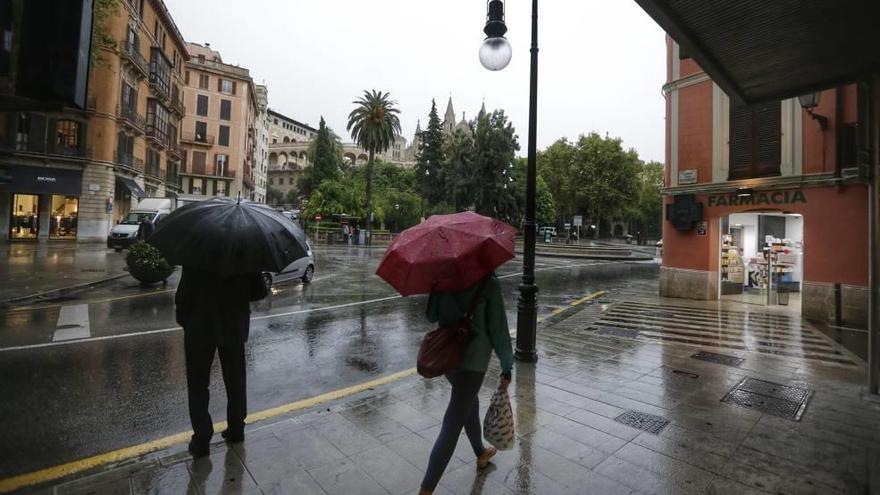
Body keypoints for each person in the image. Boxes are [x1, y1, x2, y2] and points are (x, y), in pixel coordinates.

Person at [419, 273, 514, 495]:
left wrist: (436, 289)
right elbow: (498, 329)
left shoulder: (443, 276)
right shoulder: (488, 281)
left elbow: (431, 315)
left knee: (468, 403)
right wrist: (507, 366)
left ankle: (480, 452)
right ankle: (425, 491)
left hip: (447, 357)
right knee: (452, 423)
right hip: (473, 363)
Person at [175, 267, 269, 457]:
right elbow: (259, 291)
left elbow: (183, 295)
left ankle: (201, 439)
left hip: (199, 326)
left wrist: (186, 321)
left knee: (198, 385)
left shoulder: (197, 249)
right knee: (236, 380)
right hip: (233, 325)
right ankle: (236, 429)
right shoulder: (243, 252)